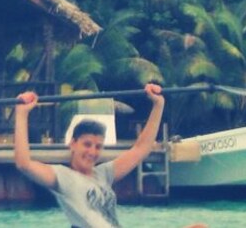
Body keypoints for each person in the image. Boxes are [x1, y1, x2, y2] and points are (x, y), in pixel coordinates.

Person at [14, 83, 203, 228]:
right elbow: (24, 164)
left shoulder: (103, 174)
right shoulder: (63, 177)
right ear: (73, 143)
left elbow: (140, 149)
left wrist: (158, 105)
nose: (92, 152)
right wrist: (21, 114)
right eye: (87, 144)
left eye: (98, 146)